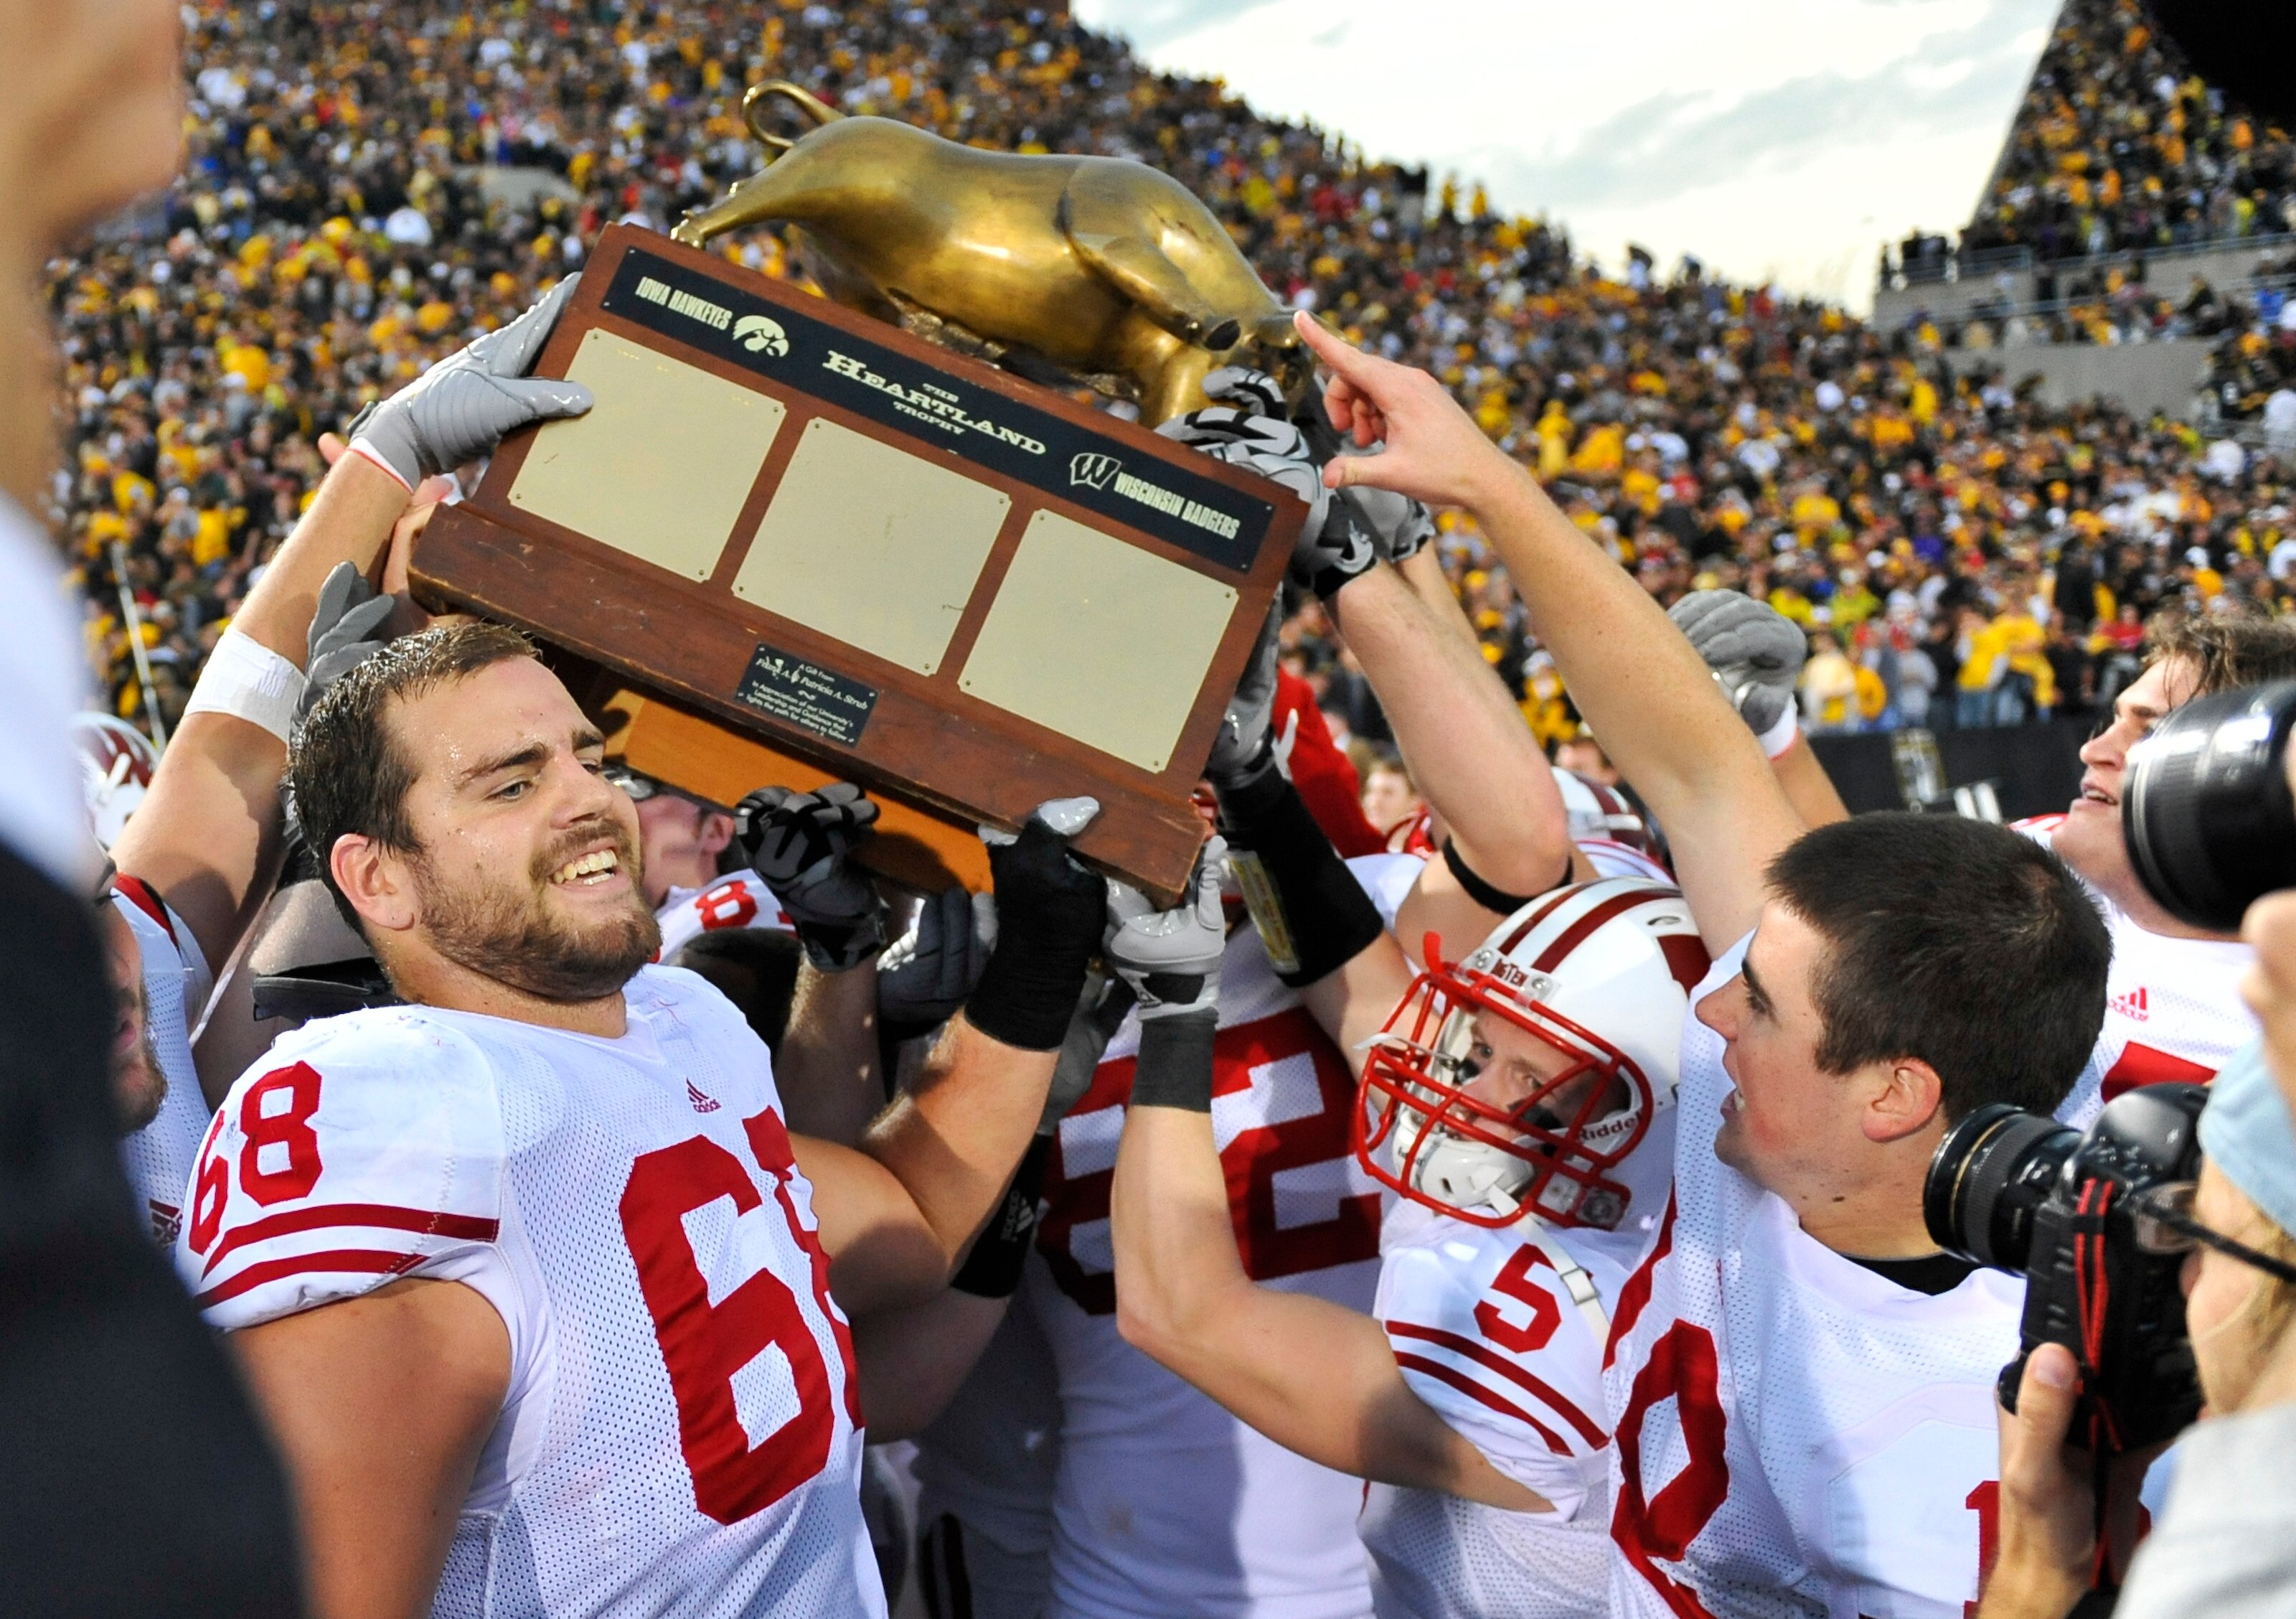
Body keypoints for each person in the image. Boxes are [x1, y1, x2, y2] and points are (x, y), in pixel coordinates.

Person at [1294, 309, 2114, 1617]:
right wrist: (1484, 486)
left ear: (1895, 1092)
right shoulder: (1804, 1132)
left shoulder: (1937, 1446)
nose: (1710, 999)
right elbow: (1699, 770)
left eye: (1760, 1001)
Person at [181, 620, 1109, 1617]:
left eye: (591, 758)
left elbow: (913, 1221)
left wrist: (1040, 964)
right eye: (512, 782)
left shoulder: (677, 1020)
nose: (589, 798)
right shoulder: (398, 1105)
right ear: (378, 878)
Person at [1111, 845, 1705, 1618]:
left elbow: (1176, 1312)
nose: (1468, 1097)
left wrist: (1177, 1018)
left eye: (1531, 1081)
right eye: (1482, 1048)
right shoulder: (1623, 1222)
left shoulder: (1559, 1325)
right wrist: (1257, 794)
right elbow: (1361, 995)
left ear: (1655, 1116)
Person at [2018, 613, 2296, 1125]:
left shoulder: (2272, 1019)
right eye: (2116, 721)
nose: (2093, 750)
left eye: (2149, 734)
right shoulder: (2027, 853)